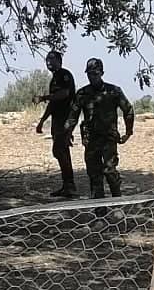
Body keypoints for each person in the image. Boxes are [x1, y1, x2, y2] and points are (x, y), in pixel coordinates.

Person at [70, 58, 134, 197]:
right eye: (89, 74)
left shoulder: (113, 91)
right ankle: (100, 212)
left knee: (110, 171)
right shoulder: (82, 94)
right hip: (91, 139)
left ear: (101, 73)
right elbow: (73, 116)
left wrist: (128, 132)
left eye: (95, 73)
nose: (92, 77)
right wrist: (67, 132)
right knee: (94, 175)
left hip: (108, 138)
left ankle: (117, 202)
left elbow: (128, 110)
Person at [34, 50, 78, 198]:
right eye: (47, 60)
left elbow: (64, 94)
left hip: (65, 120)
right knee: (61, 151)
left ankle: (69, 185)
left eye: (52, 60)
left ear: (59, 61)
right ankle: (67, 185)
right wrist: (42, 121)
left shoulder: (64, 75)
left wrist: (43, 97)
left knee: (59, 150)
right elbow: (53, 103)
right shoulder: (53, 79)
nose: (49, 63)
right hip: (56, 120)